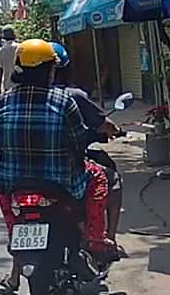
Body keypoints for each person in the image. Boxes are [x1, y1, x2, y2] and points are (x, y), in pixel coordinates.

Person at [0, 39, 119, 293]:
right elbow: (78, 139)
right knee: (99, 177)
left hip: (13, 181)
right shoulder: (63, 100)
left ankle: (14, 238)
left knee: (5, 196)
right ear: (50, 70)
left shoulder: (4, 101)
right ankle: (95, 238)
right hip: (61, 181)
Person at [50, 41, 127, 259]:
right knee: (109, 179)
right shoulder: (70, 97)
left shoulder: (14, 98)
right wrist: (114, 131)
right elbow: (89, 131)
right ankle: (103, 239)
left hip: (23, 175)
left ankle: (15, 271)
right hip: (67, 168)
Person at [0, 27, 19, 95]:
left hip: (7, 86)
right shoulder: (20, 47)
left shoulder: (1, 51)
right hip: (20, 85)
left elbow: (0, 70)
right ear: (14, 35)